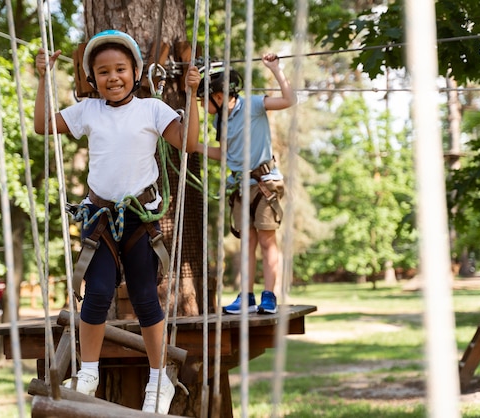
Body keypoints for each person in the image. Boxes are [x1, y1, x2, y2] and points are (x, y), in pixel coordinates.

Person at [34, 29, 201, 414]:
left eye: (121, 69)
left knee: (145, 298)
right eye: (104, 71)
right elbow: (44, 125)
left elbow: (189, 143)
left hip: (140, 218)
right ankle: (88, 372)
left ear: (135, 71)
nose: (113, 77)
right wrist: (45, 78)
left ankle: (159, 379)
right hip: (100, 217)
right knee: (96, 295)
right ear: (93, 79)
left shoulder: (153, 109)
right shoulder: (88, 110)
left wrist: (191, 96)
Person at [195, 54, 295, 315]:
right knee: (247, 242)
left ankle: (269, 296)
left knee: (266, 240)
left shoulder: (253, 105)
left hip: (265, 183)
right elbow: (226, 154)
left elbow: (288, 100)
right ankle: (247, 297)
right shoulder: (220, 121)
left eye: (203, 100)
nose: (202, 106)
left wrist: (276, 69)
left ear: (217, 95)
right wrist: (197, 147)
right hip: (241, 186)